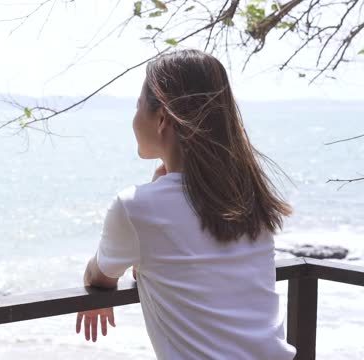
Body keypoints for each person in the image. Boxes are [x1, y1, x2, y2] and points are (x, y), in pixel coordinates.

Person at [75, 49, 296, 359]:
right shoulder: (249, 198)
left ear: (161, 118)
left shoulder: (136, 208)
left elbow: (99, 277)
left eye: (139, 107)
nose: (135, 118)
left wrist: (97, 289)